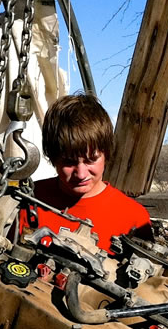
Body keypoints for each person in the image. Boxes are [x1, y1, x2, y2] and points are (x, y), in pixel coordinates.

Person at [20, 94, 152, 252]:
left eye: (91, 160)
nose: (81, 174)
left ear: (107, 154)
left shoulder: (134, 217)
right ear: (52, 158)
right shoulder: (28, 201)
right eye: (69, 162)